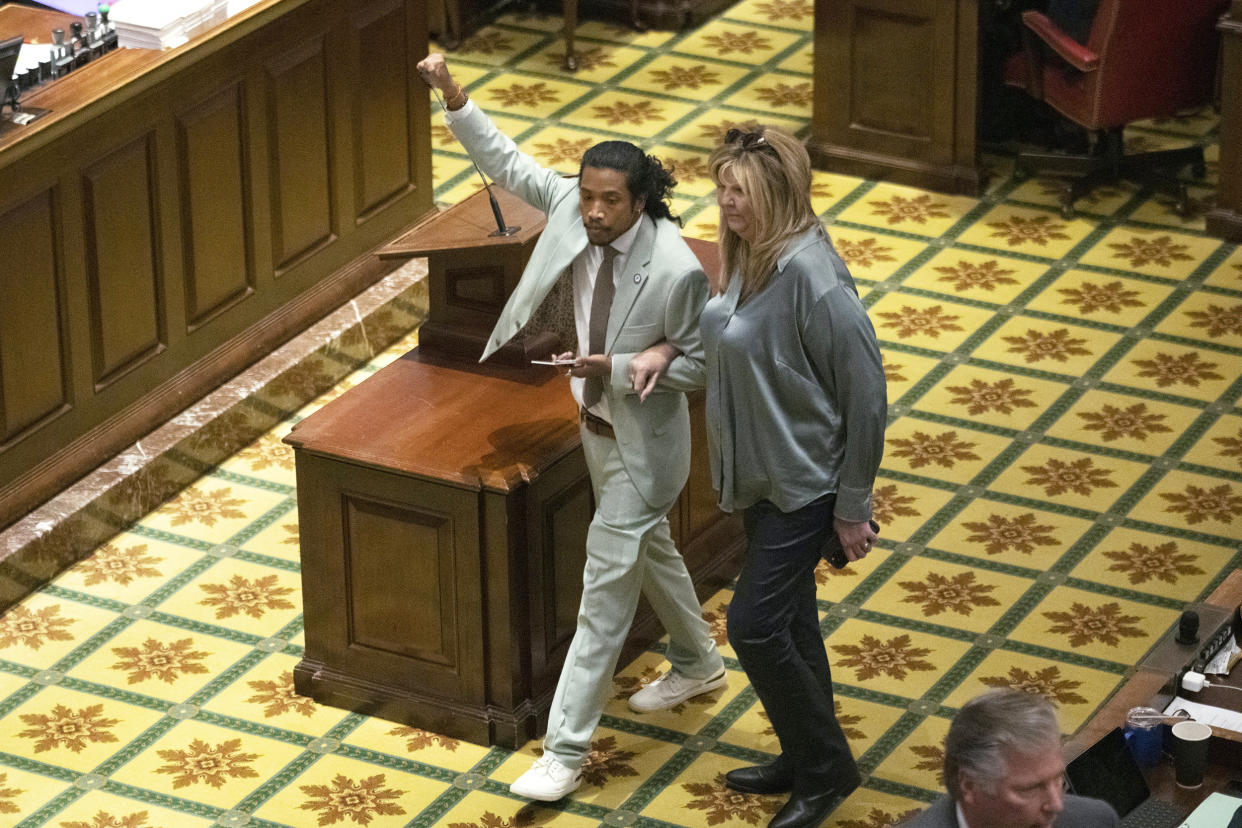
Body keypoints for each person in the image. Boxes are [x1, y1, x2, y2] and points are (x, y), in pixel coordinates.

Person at [415, 54, 726, 803]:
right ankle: (698, 661)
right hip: (592, 431)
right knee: (650, 549)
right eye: (586, 197)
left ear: (642, 200)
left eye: (608, 202)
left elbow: (702, 370)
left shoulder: (677, 269)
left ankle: (565, 751)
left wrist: (619, 366)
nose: (591, 213)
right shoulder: (569, 206)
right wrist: (455, 97)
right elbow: (508, 162)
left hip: (646, 452)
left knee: (602, 594)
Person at [632, 126, 887, 828]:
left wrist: (853, 505)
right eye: (721, 186)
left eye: (737, 190)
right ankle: (804, 757)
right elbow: (729, 339)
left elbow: (866, 394)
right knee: (791, 619)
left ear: (775, 194)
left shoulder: (814, 275)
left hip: (807, 482)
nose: (724, 201)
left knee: (753, 624)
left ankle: (827, 768)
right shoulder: (748, 255)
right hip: (758, 477)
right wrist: (663, 350)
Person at [902, 689, 1119, 828]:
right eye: (1030, 788)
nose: (1056, 804)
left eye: (1057, 780)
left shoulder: (1093, 820)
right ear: (969, 785)